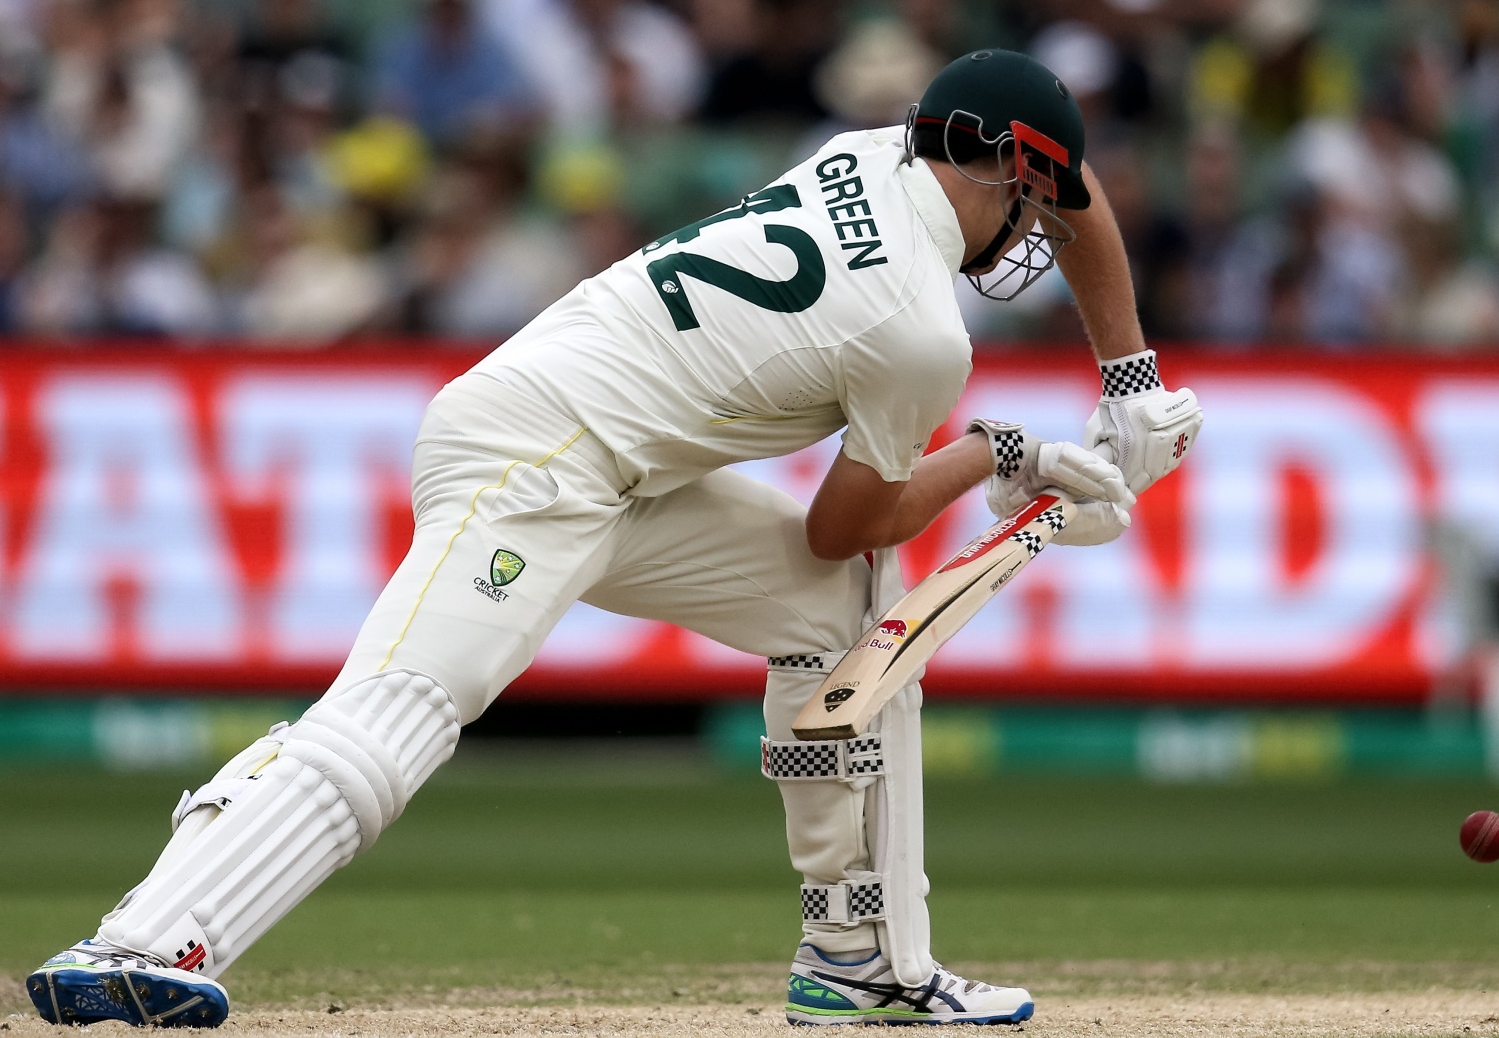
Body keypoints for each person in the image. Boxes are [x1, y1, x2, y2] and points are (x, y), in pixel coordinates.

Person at [24, 50, 1202, 1028]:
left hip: (619, 471)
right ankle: (143, 942)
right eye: (1032, 198)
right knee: (405, 708)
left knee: (845, 622)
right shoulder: (921, 335)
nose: (1037, 226)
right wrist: (1002, 453)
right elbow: (846, 523)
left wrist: (1131, 379)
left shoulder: (863, 153)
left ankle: (859, 955)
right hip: (537, 457)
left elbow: (1074, 196)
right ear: (1008, 168)